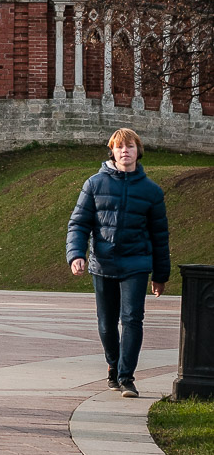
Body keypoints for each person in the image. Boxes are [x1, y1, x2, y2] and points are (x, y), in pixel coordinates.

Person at [66, 128, 171, 399]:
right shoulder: (94, 184)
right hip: (103, 264)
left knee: (133, 319)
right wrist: (76, 254)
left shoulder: (151, 191)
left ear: (138, 152)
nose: (125, 151)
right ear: (112, 151)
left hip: (136, 265)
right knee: (106, 323)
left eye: (131, 147)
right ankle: (113, 364)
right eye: (120, 147)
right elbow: (79, 224)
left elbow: (160, 236)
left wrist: (160, 275)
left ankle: (126, 377)